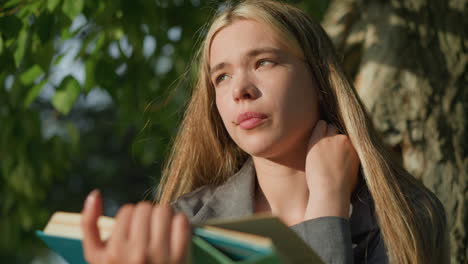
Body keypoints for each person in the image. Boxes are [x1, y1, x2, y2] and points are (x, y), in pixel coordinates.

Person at [80, 0, 449, 263]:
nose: (240, 89)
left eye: (264, 62)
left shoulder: (406, 214)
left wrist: (327, 207)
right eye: (221, 77)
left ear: (319, 80)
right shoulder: (186, 222)